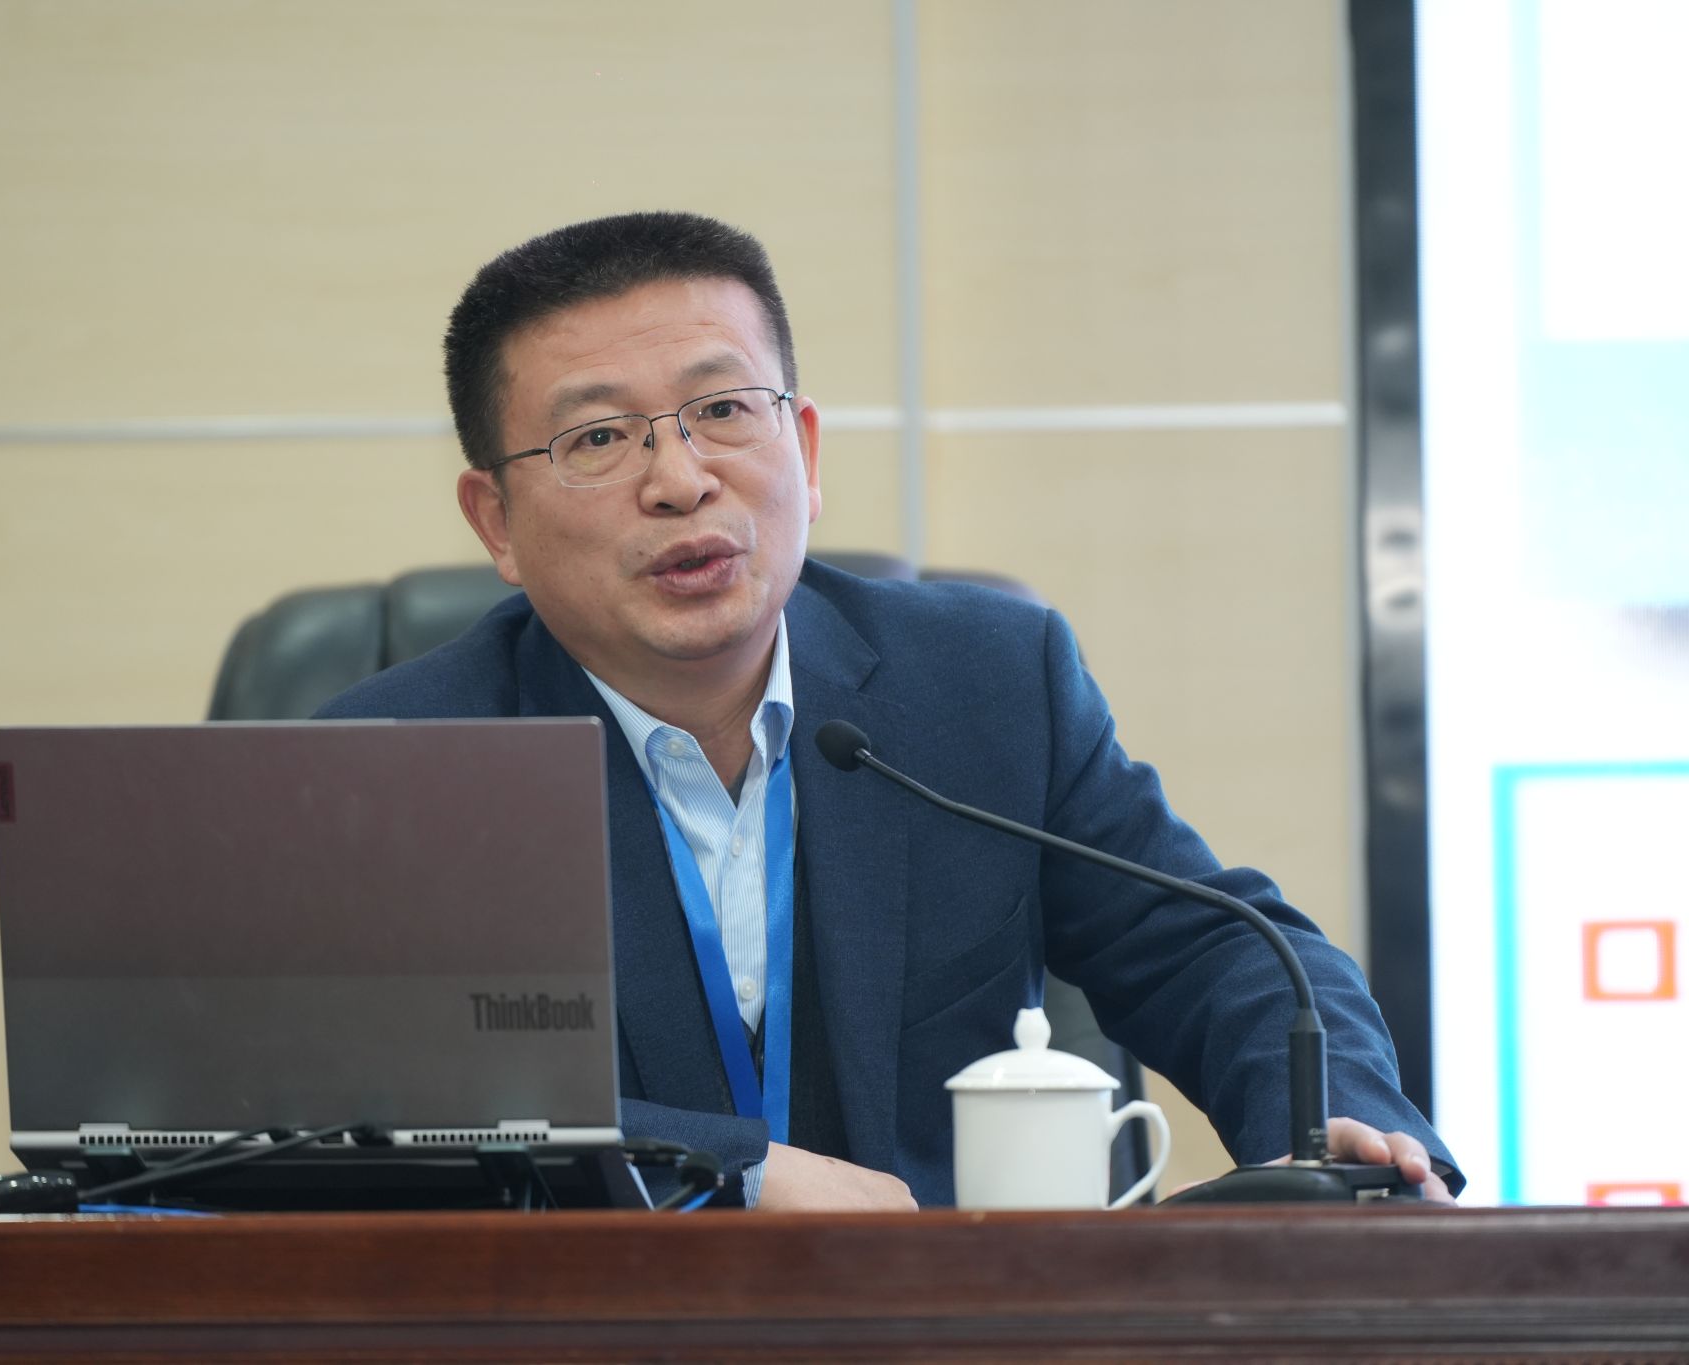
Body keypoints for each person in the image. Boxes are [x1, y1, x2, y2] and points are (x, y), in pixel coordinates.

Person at [321, 211, 1459, 1209]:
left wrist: (1337, 1130)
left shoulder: (985, 686)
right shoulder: (390, 770)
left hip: (951, 1331)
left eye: (723, 408)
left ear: (805, 450)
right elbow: (361, 1116)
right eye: (599, 438)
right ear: (497, 522)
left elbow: (1217, 950)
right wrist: (736, 1175)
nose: (679, 481)